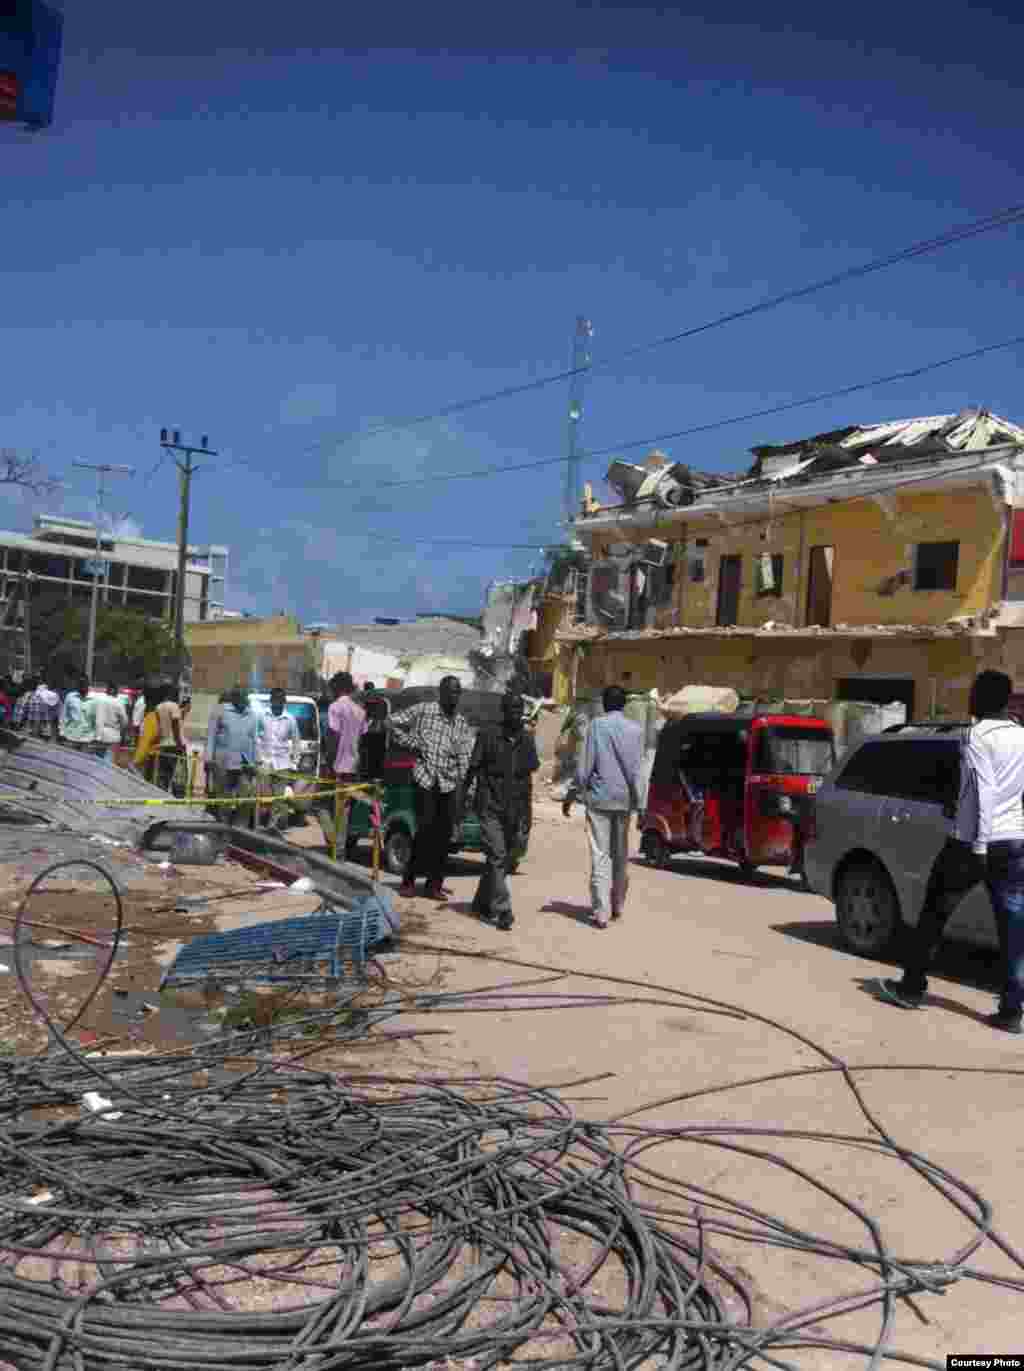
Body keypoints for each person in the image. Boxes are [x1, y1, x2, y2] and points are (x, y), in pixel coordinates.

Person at [879, 669, 1024, 1034]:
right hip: (1015, 842)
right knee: (1013, 928)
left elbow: (985, 791)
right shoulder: (1022, 736)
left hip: (973, 843)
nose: (970, 698)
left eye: (973, 692)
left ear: (983, 699)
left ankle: (911, 988)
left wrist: (978, 845)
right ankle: (1011, 1011)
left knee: (933, 915)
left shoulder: (976, 736)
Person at [563, 685, 644, 929]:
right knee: (621, 855)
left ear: (605, 704)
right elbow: (637, 770)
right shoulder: (636, 730)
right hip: (624, 801)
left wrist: (573, 791)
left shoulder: (597, 726)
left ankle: (601, 913)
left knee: (601, 855)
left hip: (599, 800)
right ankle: (617, 905)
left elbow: (585, 764)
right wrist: (640, 803)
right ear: (624, 705)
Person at [389, 676, 476, 901]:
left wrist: (468, 787)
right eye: (451, 692)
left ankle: (434, 885)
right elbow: (392, 721)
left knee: (444, 836)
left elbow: (465, 758)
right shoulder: (424, 710)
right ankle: (409, 881)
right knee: (424, 830)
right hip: (425, 779)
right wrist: (411, 742)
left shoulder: (460, 723)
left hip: (447, 784)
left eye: (458, 692)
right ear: (441, 692)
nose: (455, 696)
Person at [465, 692, 539, 931]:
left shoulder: (527, 740)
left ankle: (479, 903)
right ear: (503, 711)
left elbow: (527, 780)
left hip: (514, 808)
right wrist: (461, 801)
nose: (516, 713)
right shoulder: (487, 735)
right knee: (497, 854)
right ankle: (503, 908)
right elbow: (472, 769)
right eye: (511, 709)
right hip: (489, 805)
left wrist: (527, 813)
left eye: (519, 709)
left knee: (504, 858)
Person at [317, 672, 366, 854]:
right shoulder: (360, 711)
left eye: (332, 687)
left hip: (335, 766)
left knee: (319, 805)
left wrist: (329, 764)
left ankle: (334, 845)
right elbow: (361, 741)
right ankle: (339, 851)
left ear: (338, 687)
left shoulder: (335, 708)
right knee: (342, 811)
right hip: (352, 767)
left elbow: (333, 736)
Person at [206, 686, 260, 825]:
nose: (243, 700)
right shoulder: (220, 711)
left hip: (245, 764)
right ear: (234, 698)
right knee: (224, 799)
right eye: (239, 697)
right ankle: (223, 829)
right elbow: (211, 737)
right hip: (223, 762)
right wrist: (208, 759)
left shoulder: (252, 715)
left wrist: (256, 762)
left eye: (245, 697)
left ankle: (240, 830)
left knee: (246, 798)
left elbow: (254, 740)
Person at [257, 687, 300, 831]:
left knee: (279, 799)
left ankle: (272, 827)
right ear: (271, 700)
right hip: (265, 763)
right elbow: (255, 737)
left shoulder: (290, 719)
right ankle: (260, 826)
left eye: (281, 700)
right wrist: (258, 757)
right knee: (263, 797)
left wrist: (294, 763)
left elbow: (296, 742)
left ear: (284, 701)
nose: (278, 703)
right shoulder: (262, 716)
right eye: (275, 700)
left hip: (283, 764)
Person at [154, 685, 186, 792]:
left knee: (163, 773)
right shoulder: (174, 706)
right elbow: (175, 725)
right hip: (174, 744)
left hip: (163, 743)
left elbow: (159, 726)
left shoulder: (158, 707)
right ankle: (172, 795)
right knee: (175, 773)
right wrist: (180, 744)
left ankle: (161, 792)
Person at [133, 684, 164, 780]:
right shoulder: (159, 715)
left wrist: (136, 761)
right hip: (155, 758)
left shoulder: (151, 718)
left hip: (149, 759)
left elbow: (146, 741)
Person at [92, 682, 128, 765]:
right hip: (113, 734)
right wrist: (123, 733)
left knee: (97, 760)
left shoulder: (98, 701)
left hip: (99, 733)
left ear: (107, 690)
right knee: (109, 762)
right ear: (115, 691)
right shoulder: (118, 703)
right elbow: (124, 721)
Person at [17, 675, 60, 741]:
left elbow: (24, 706)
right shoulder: (49, 692)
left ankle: (34, 733)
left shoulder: (32, 693)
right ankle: (37, 733)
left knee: (34, 720)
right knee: (39, 721)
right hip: (43, 709)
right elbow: (55, 702)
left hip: (35, 708)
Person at [60, 676, 96, 751]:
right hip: (71, 737)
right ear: (77, 685)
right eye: (80, 683)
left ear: (88, 684)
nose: (82, 685)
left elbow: (97, 719)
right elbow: (64, 716)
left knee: (84, 761)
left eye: (84, 683)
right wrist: (62, 732)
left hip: (87, 739)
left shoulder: (95, 699)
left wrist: (96, 736)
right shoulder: (70, 696)